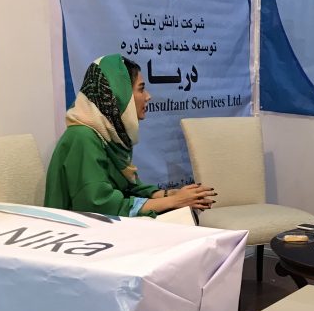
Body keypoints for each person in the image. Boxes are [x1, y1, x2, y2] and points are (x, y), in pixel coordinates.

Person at [45, 54, 216, 217]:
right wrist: (173, 201)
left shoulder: (108, 135)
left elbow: (128, 188)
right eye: (141, 89)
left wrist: (169, 194)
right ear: (119, 94)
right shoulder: (82, 138)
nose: (148, 96)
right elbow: (98, 205)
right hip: (82, 231)